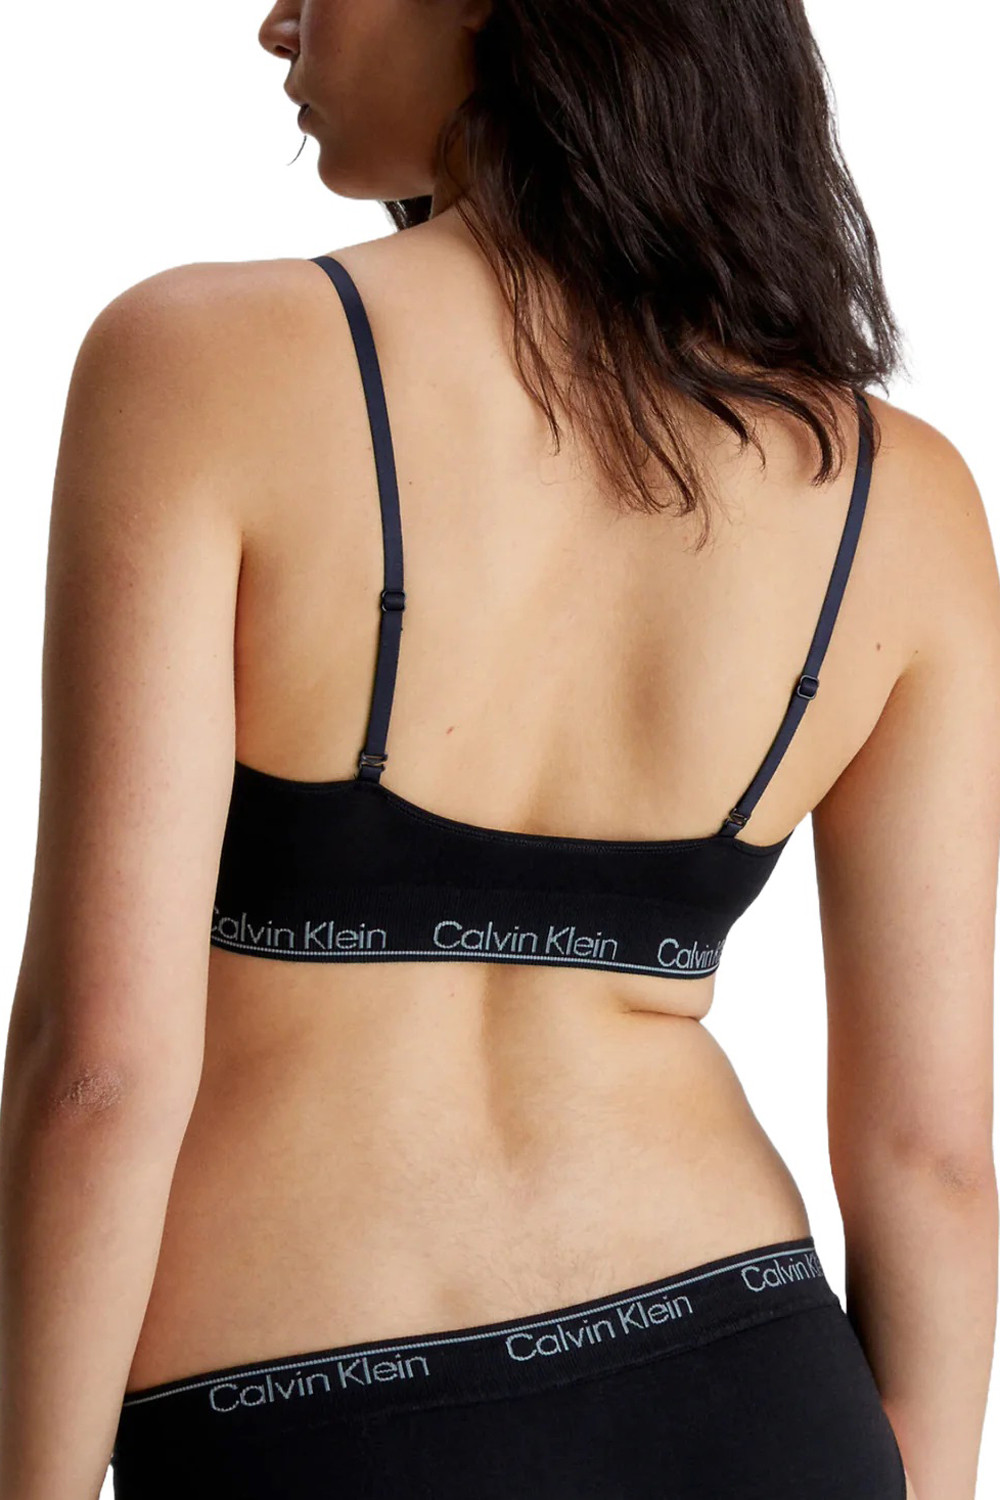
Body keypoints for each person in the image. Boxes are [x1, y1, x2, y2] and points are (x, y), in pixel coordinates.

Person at [0, 2, 996, 1496]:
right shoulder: (896, 495)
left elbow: (100, 1075)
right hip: (757, 1386)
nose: (277, 22)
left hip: (311, 1415)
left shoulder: (199, 364)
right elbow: (934, 1153)